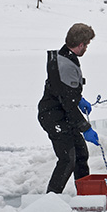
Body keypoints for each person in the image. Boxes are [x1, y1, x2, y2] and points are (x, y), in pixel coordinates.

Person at [38, 23, 99, 193]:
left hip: (63, 113)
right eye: (86, 44)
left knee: (81, 155)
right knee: (67, 159)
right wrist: (85, 128)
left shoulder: (66, 56)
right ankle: (52, 198)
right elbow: (68, 105)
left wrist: (79, 98)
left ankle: (85, 195)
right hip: (53, 116)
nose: (86, 48)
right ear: (81, 44)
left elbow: (63, 91)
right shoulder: (65, 64)